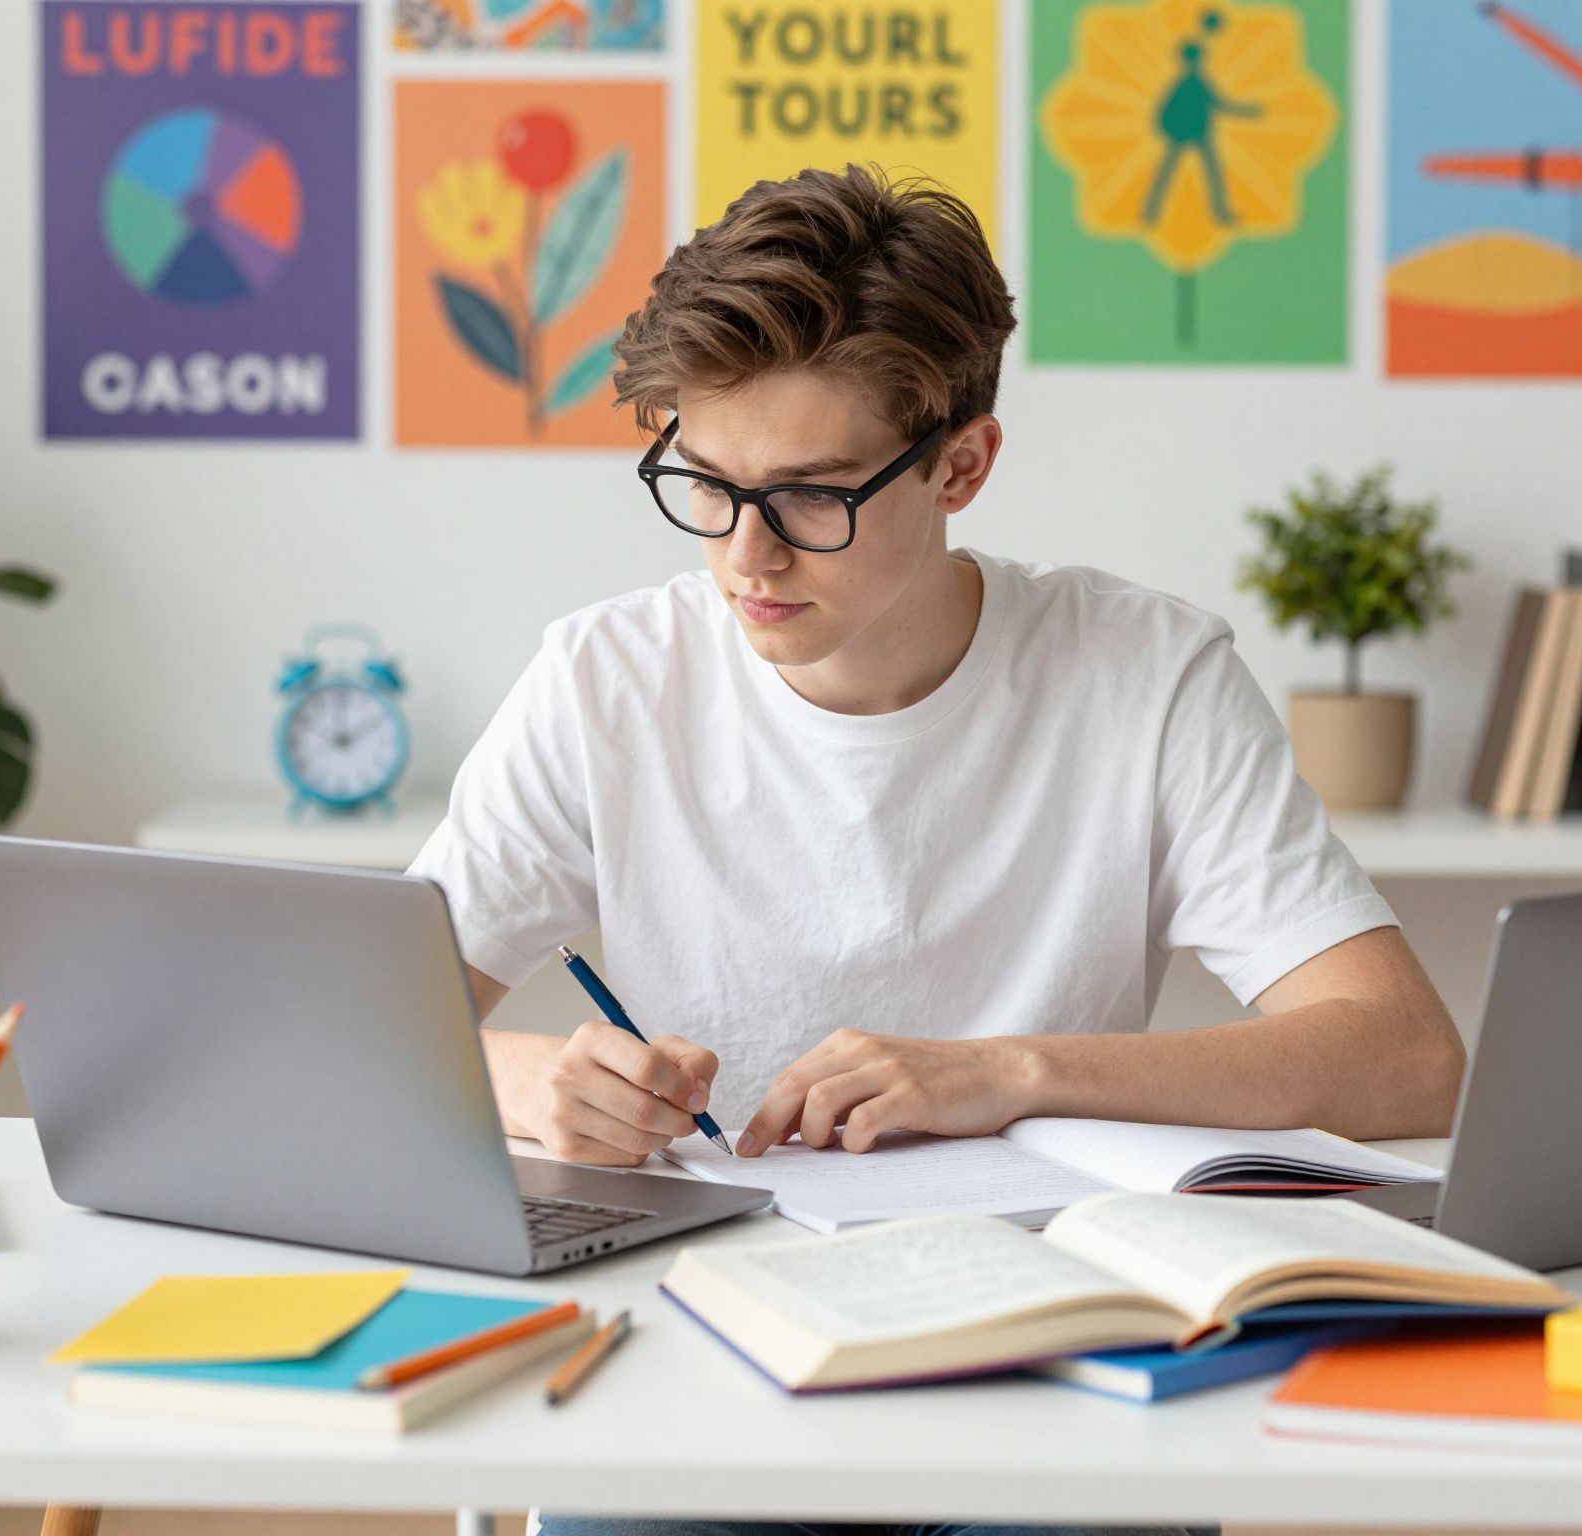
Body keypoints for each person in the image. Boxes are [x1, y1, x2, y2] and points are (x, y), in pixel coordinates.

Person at [409, 159, 1461, 1536]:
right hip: (698, 1344)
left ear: (962, 463)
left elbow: (1403, 1054)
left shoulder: (1144, 674)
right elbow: (355, 1035)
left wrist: (1010, 1074)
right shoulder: (605, 680)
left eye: (811, 497)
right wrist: (533, 1083)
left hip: (1053, 1359)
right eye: (705, 483)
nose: (746, 558)